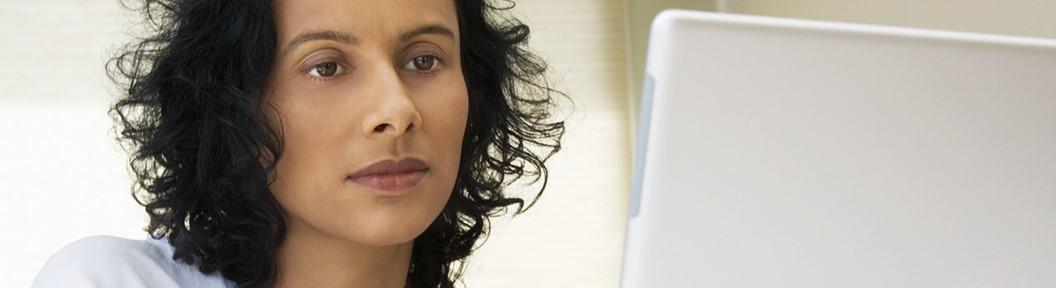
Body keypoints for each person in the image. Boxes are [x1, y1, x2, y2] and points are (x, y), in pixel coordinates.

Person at [32, 0, 565, 287]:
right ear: (233, 107)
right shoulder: (107, 280)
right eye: (326, 67)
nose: (397, 110)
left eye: (424, 60)